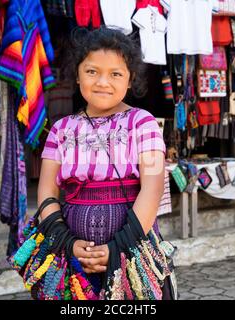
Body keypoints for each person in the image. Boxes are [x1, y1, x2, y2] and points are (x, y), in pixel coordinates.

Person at [34, 27, 172, 299]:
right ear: (77, 75)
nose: (102, 82)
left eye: (116, 74)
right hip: (72, 257)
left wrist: (117, 247)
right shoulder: (61, 129)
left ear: (130, 79)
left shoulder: (143, 124)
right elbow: (47, 193)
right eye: (92, 71)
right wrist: (68, 243)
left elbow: (152, 190)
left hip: (132, 251)